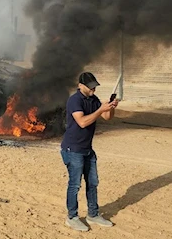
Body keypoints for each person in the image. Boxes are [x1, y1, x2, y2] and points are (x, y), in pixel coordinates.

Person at [60, 72, 118, 232]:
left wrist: (111, 108)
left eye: (95, 85)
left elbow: (107, 117)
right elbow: (82, 122)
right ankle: (72, 217)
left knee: (93, 183)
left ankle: (93, 214)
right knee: (75, 185)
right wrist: (100, 110)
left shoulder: (94, 100)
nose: (94, 88)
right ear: (81, 85)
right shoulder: (74, 100)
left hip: (87, 150)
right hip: (73, 149)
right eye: (91, 86)